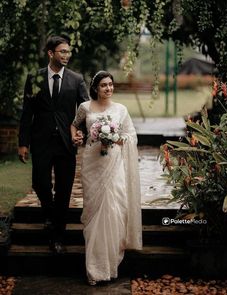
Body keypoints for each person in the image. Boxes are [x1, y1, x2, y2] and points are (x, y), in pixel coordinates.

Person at [18, 35, 89, 254]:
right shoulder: (35, 78)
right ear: (51, 53)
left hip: (66, 144)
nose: (67, 55)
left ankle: (58, 235)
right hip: (41, 141)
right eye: (62, 52)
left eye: (68, 51)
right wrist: (23, 143)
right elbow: (27, 112)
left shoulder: (76, 79)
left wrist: (82, 134)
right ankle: (49, 213)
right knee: (40, 182)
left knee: (64, 189)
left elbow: (85, 111)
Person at [71, 70, 142, 285]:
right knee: (94, 211)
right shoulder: (85, 107)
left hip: (115, 164)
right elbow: (75, 124)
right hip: (92, 164)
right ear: (95, 88)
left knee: (115, 209)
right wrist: (76, 135)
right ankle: (95, 269)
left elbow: (131, 135)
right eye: (103, 85)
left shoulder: (121, 110)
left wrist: (115, 137)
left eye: (110, 84)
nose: (108, 88)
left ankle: (109, 265)